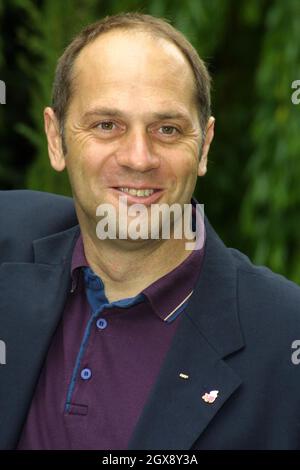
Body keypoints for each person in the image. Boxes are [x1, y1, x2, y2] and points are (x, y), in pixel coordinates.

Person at [0, 12, 300, 451]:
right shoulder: (9, 242)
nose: (139, 158)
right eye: (107, 125)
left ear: (204, 146)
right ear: (56, 138)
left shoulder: (284, 336)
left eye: (167, 129)